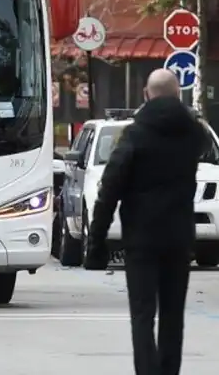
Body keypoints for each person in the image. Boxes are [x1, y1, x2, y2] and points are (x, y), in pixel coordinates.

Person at [84, 68, 210, 375]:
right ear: (178, 94)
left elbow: (110, 188)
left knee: (142, 314)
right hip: (179, 237)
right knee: (172, 314)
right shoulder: (193, 133)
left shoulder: (135, 134)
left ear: (146, 94)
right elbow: (204, 143)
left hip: (141, 239)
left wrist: (96, 242)